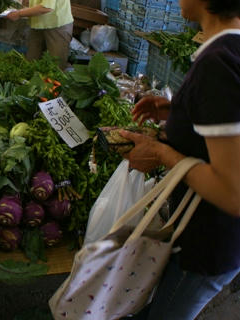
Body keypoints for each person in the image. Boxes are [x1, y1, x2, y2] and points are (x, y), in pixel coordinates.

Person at [119, 0, 240, 318]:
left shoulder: (219, 62)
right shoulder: (231, 47)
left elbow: (233, 193)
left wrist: (161, 152)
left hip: (209, 243)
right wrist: (179, 113)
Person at [6, 0, 73, 69]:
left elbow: (46, 7)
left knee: (56, 66)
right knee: (32, 62)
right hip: (37, 23)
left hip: (57, 24)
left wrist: (19, 14)